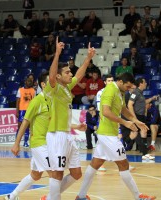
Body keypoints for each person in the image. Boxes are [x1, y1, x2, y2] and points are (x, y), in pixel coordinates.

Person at [6, 72, 87, 200]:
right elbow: (25, 122)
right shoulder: (37, 101)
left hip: (51, 142)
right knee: (54, 173)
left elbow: (55, 121)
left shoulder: (54, 99)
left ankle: (12, 196)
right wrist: (16, 143)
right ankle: (50, 198)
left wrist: (75, 126)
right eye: (50, 81)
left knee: (36, 175)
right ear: (43, 85)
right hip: (40, 143)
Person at [75, 73, 155, 200]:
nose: (129, 90)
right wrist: (125, 123)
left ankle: (81, 196)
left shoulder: (120, 91)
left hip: (106, 133)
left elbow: (123, 109)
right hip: (107, 135)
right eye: (128, 87)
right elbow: (106, 112)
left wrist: (136, 121)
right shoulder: (110, 90)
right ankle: (138, 197)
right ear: (121, 82)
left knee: (95, 163)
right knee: (123, 164)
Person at [40, 38, 96, 200]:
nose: (70, 74)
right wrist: (57, 54)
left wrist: (88, 59)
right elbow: (51, 76)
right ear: (58, 76)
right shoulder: (53, 88)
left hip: (67, 135)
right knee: (57, 173)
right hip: (56, 135)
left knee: (76, 173)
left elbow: (78, 76)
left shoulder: (66, 88)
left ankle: (50, 196)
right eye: (66, 72)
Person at [128, 78, 158, 160]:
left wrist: (152, 99)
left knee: (143, 132)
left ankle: (144, 152)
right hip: (137, 116)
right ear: (140, 84)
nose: (146, 84)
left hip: (141, 116)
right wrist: (133, 117)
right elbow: (130, 105)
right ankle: (144, 153)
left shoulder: (140, 93)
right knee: (137, 133)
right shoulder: (135, 92)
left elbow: (143, 102)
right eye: (144, 82)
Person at [16, 78, 36, 147]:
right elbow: (18, 101)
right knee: (19, 126)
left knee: (27, 127)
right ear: (25, 82)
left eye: (31, 81)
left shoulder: (33, 90)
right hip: (22, 110)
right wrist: (17, 111)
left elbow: (34, 102)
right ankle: (17, 142)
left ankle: (25, 142)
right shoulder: (20, 90)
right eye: (28, 81)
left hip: (29, 110)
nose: (30, 82)